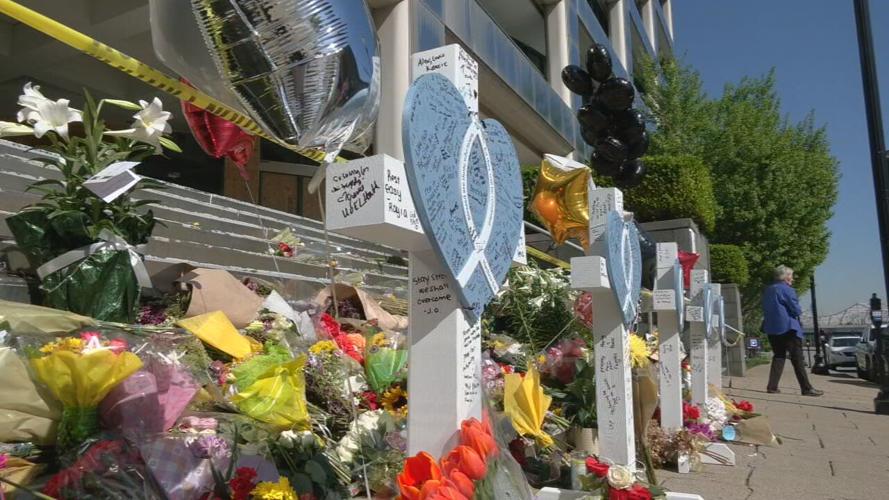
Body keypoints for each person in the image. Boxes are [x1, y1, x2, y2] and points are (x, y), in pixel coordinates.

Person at [762, 265, 823, 396]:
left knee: (779, 355)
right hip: (789, 328)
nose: (793, 279)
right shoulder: (787, 289)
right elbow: (796, 309)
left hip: (772, 328)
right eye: (791, 276)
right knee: (797, 358)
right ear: (785, 277)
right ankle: (806, 388)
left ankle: (772, 386)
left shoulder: (768, 290)